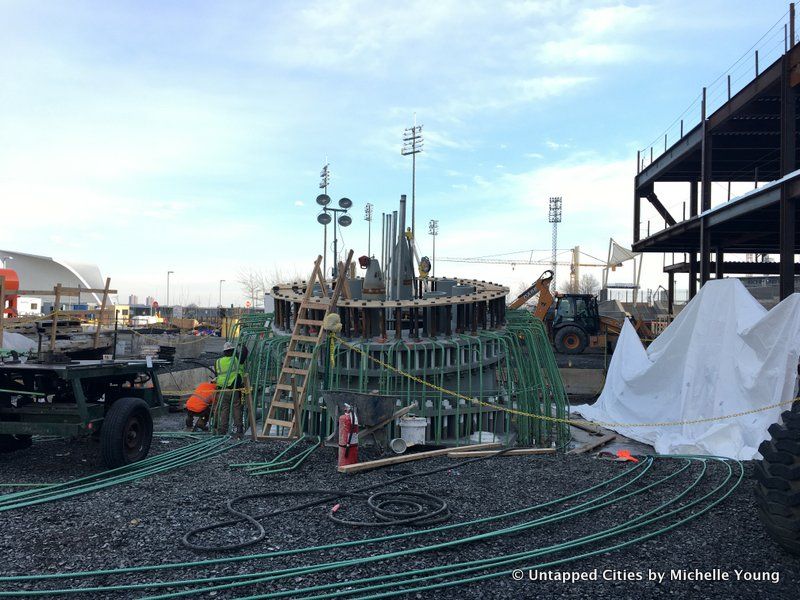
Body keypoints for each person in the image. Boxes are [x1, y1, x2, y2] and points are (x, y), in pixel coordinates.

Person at [214, 341, 248, 437]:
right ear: (233, 351)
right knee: (236, 408)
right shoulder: (237, 359)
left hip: (222, 389)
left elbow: (217, 375)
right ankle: (239, 428)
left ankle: (223, 429)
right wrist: (242, 345)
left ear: (224, 352)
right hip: (234, 388)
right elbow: (245, 353)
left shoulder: (218, 362)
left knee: (224, 409)